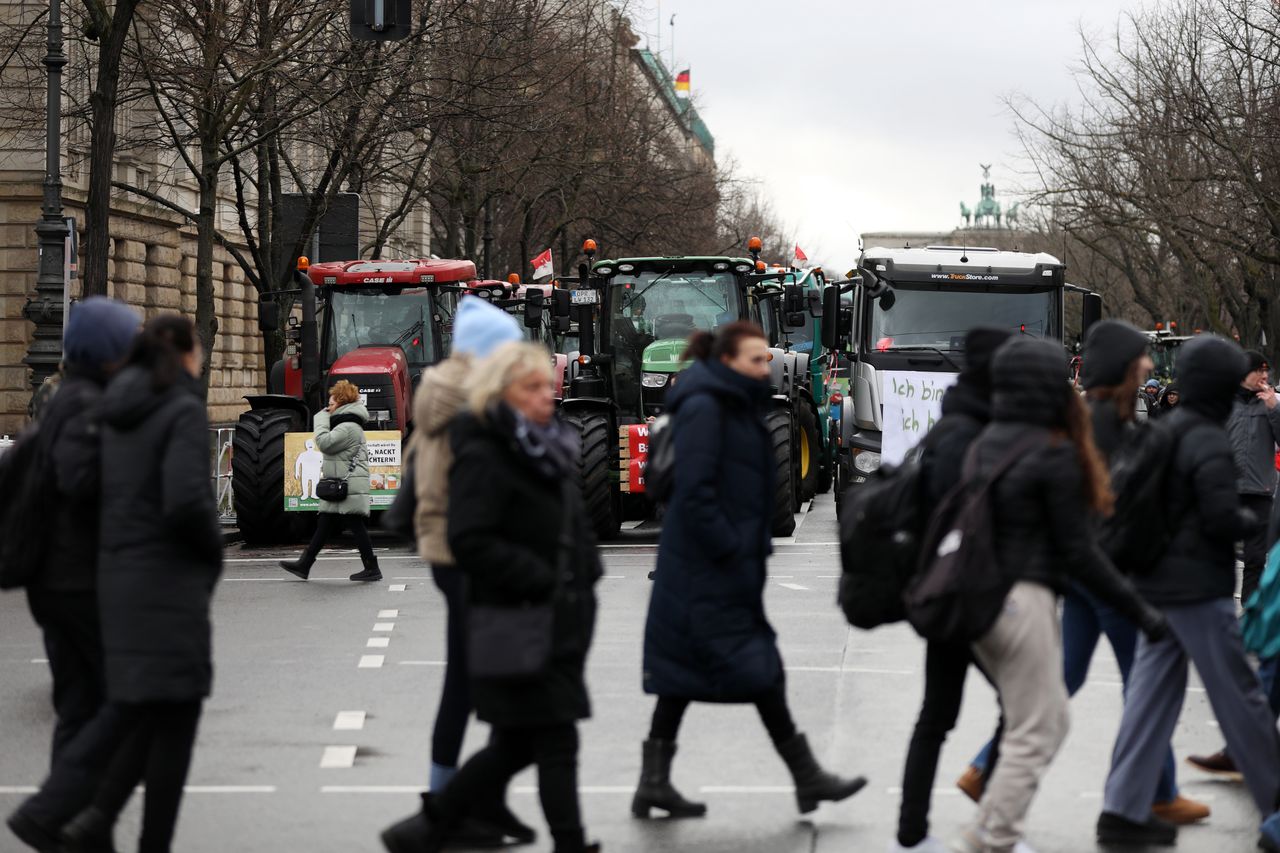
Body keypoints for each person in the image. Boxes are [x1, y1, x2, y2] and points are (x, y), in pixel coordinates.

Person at [956, 321, 1207, 826]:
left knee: (1063, 677)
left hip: (1077, 576)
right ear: (1124, 367)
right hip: (1111, 575)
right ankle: (1159, 792)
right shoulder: (1120, 428)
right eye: (1140, 358)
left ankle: (985, 765)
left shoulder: (1075, 422)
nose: (1147, 365)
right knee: (1144, 687)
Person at [632, 321, 865, 821]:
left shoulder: (733, 405)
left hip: (708, 568)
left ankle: (653, 782)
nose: (769, 366)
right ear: (728, 362)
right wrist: (735, 548)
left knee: (684, 677)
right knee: (761, 672)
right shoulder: (707, 408)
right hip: (707, 569)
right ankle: (807, 777)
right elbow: (694, 494)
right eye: (757, 360)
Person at [8, 314, 224, 853]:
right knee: (137, 707)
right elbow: (100, 487)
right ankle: (64, 816)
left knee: (107, 706)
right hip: (99, 580)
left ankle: (83, 823)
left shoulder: (95, 402)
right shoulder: (109, 406)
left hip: (86, 578)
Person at [381, 342, 602, 853]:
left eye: (548, 385)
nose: (547, 396)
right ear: (500, 393)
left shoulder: (546, 444)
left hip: (557, 620)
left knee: (520, 742)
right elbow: (471, 539)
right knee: (554, 739)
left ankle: (428, 827)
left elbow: (572, 526)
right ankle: (569, 844)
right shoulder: (486, 450)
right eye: (532, 387)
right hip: (518, 616)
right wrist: (541, 579)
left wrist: (586, 573)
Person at [1095, 335, 1280, 848]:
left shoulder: (1162, 431)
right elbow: (1222, 517)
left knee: (1150, 701)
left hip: (1154, 586)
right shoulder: (1208, 440)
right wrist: (1248, 520)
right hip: (1201, 590)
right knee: (1243, 700)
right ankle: (1276, 810)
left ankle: (1122, 808)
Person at [408, 297, 531, 843]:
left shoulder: (445, 391)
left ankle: (468, 799)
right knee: (478, 681)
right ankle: (450, 807)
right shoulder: (468, 402)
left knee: (477, 678)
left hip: (449, 550)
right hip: (467, 554)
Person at [893, 327, 1011, 853]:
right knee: (1026, 706)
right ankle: (993, 823)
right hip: (966, 595)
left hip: (946, 592)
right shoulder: (971, 432)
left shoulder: (955, 423)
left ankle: (912, 834)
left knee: (937, 716)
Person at [1186, 351, 1280, 777]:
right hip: (1227, 490)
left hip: (1260, 491)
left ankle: (1251, 616)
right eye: (1260, 368)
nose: (1265, 374)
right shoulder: (1221, 402)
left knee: (1259, 562)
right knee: (1222, 556)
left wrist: (1275, 410)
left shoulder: (1271, 403)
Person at [279, 379, 381, 582]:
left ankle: (371, 567)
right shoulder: (347, 425)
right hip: (340, 484)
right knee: (324, 524)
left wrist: (321, 418)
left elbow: (325, 443)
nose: (328, 406)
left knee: (354, 524)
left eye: (332, 403)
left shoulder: (348, 427)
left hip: (347, 485)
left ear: (342, 403)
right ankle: (305, 564)